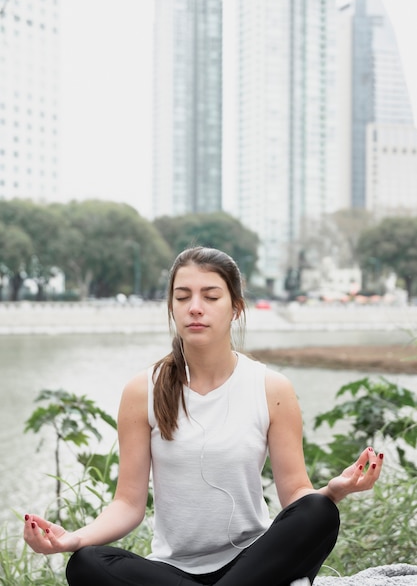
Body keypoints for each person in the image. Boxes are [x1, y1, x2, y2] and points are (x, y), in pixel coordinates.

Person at [24, 246, 384, 586]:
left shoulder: (271, 388)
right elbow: (128, 504)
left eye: (210, 297)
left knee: (318, 512)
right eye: (183, 297)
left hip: (253, 562)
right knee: (86, 564)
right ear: (172, 307)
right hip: (172, 573)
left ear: (236, 308)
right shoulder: (141, 391)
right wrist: (73, 539)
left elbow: (296, 494)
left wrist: (333, 491)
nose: (195, 308)